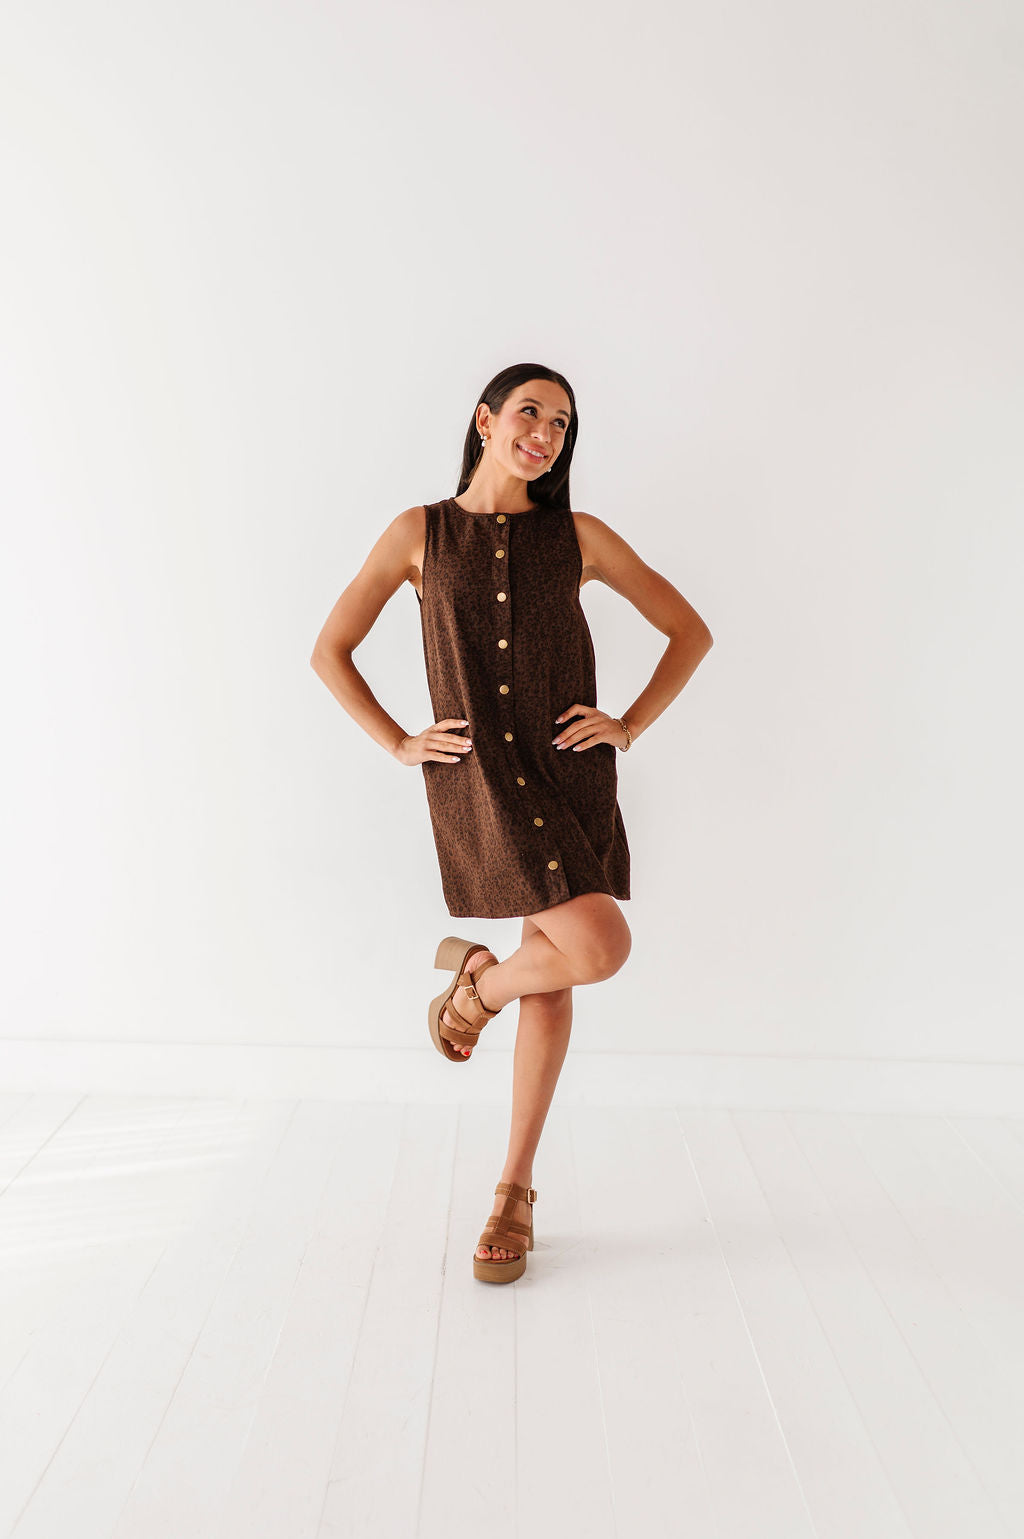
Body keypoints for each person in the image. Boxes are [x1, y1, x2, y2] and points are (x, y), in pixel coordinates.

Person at [310, 362, 713, 1283]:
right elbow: (330, 649)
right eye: (530, 412)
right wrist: (399, 741)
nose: (546, 433)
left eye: (562, 423)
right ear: (485, 421)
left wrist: (629, 723)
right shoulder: (418, 533)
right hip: (482, 780)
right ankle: (483, 995)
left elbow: (689, 630)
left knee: (565, 968)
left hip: (571, 774)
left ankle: (510, 1177)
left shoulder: (579, 536)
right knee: (596, 947)